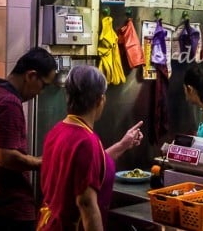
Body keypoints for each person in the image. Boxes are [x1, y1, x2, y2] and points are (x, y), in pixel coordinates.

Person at [38, 65, 144, 230]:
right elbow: (86, 204)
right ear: (100, 100)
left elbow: (89, 167)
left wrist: (123, 145)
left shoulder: (57, 131)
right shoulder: (86, 141)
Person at [0, 47, 58, 231]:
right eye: (43, 85)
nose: (40, 93)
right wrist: (41, 163)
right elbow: (4, 156)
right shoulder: (9, 103)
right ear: (31, 76)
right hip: (7, 208)